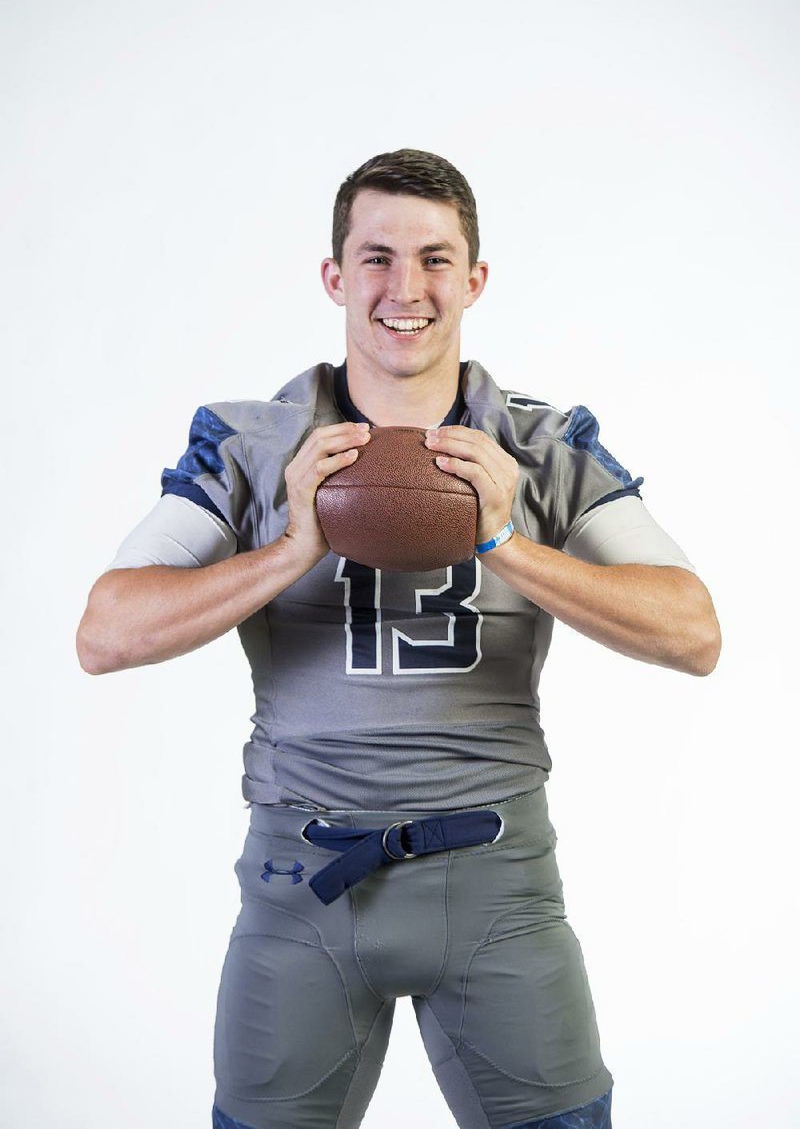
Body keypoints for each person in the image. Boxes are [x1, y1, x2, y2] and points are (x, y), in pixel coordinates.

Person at [77, 149, 721, 1129]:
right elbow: (104, 632)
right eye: (376, 257)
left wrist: (506, 539)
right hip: (305, 879)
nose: (404, 288)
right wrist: (290, 545)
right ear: (334, 276)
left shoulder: (543, 445)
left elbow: (693, 631)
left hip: (497, 876)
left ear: (474, 279)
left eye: (433, 258)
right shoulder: (255, 440)